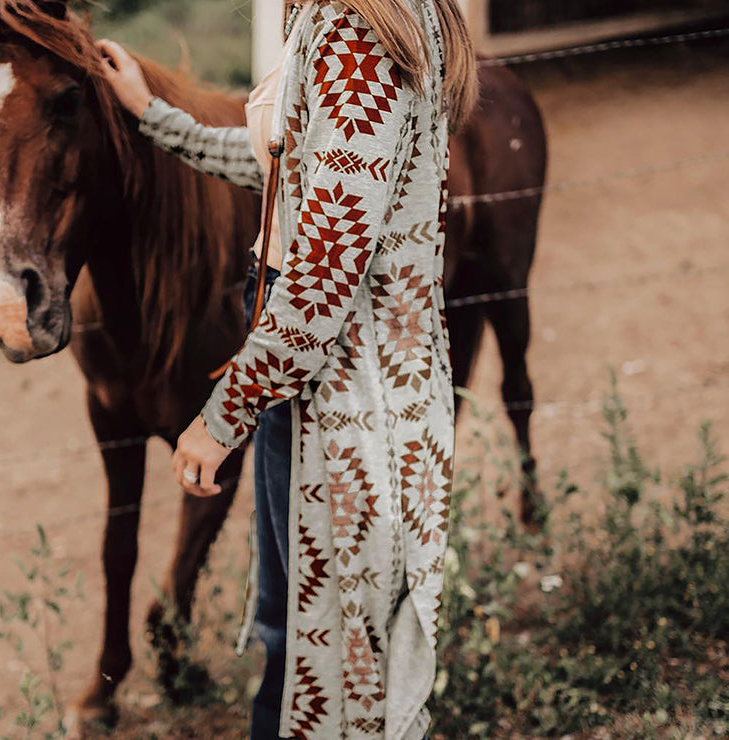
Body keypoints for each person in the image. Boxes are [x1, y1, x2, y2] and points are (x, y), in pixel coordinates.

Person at [97, 0, 476, 737]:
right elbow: (296, 166)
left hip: (338, 368)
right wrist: (156, 117)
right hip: (336, 354)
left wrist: (221, 417)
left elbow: (324, 271)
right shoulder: (360, 16)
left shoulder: (355, 29)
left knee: (321, 638)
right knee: (302, 621)